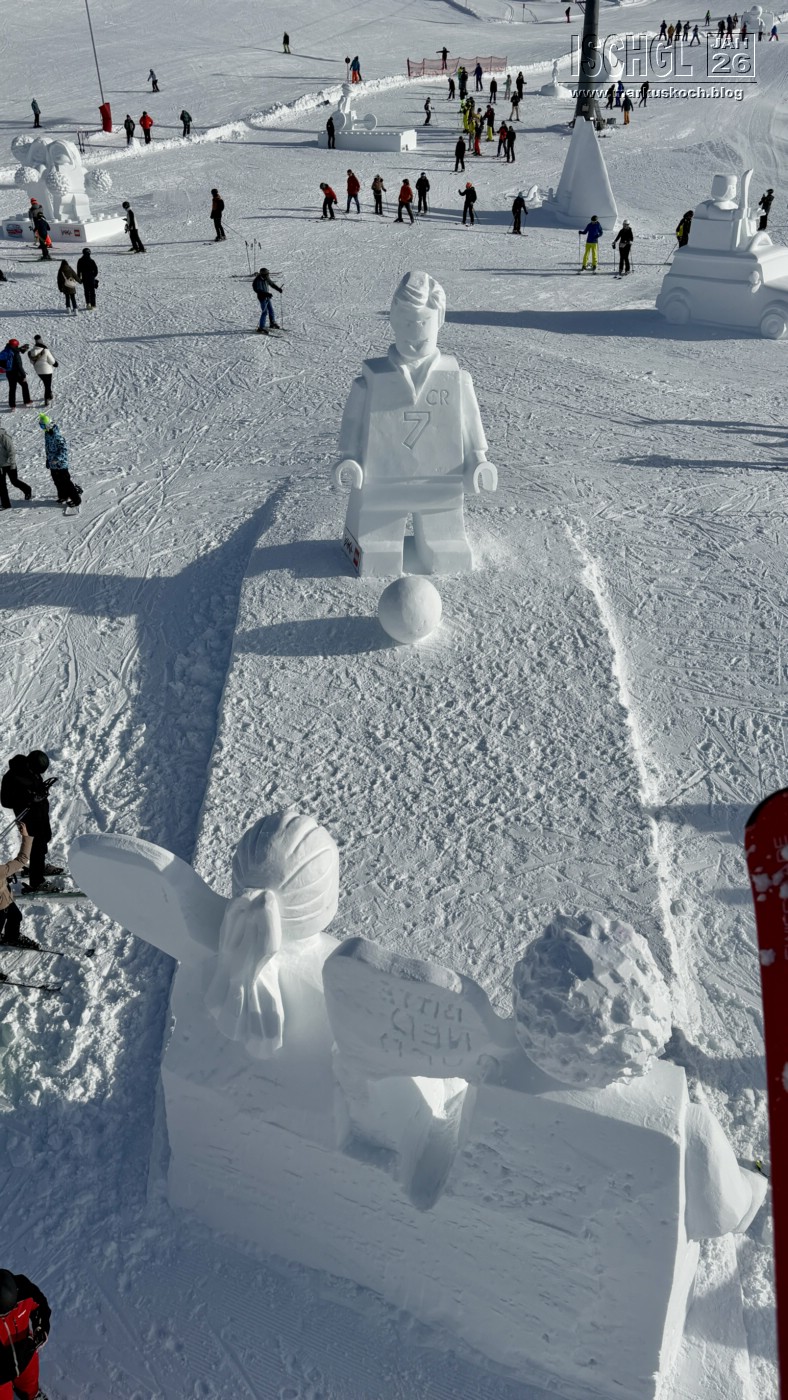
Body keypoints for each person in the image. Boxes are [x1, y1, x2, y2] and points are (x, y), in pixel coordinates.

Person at [1, 750, 59, 891]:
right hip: (27, 817)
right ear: (29, 764)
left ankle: (38, 866)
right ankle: (37, 881)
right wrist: (29, 799)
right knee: (36, 845)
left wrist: (41, 792)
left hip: (40, 813)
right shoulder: (12, 776)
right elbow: (6, 801)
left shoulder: (32, 770)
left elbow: (34, 788)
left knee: (45, 837)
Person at [0, 1266, 51, 1394]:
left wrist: (41, 1327)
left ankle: (31, 1395)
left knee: (29, 1380)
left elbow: (40, 1306)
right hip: (2, 1364)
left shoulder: (25, 1290)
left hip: (25, 1348)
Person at [0, 823, 34, 946]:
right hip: (1, 906)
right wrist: (25, 836)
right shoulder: (1, 871)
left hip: (6, 901)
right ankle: (11, 937)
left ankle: (11, 937)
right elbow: (22, 859)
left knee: (16, 916)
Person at [39, 415, 82, 510]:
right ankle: (63, 496)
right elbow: (47, 448)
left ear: (48, 425)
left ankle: (76, 500)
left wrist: (57, 459)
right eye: (40, 426)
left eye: (43, 426)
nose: (42, 428)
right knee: (57, 482)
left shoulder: (57, 436)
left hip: (61, 464)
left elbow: (64, 450)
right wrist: (48, 460)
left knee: (66, 482)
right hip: (52, 464)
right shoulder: (47, 434)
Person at [0, 426, 32, 509]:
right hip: (0, 466)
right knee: (1, 485)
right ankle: (6, 504)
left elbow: (11, 451)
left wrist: (12, 464)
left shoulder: (4, 437)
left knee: (14, 481)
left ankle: (27, 490)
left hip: (9, 464)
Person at [0, 342, 31, 411]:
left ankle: (12, 406)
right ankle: (27, 401)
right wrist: (24, 375)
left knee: (12, 389)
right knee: (24, 385)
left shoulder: (5, 351)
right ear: (15, 345)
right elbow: (19, 365)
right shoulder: (16, 354)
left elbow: (15, 350)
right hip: (17, 374)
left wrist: (21, 349)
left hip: (9, 373)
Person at [27, 336, 57, 407]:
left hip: (39, 371)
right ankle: (47, 398)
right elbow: (52, 361)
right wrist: (55, 364)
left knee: (46, 384)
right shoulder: (45, 350)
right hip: (47, 371)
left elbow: (32, 362)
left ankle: (50, 394)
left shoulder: (31, 352)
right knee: (47, 385)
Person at [252, 267, 282, 334]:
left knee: (271, 310)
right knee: (264, 312)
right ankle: (261, 328)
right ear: (263, 274)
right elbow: (258, 290)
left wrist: (278, 289)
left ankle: (272, 323)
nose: (268, 275)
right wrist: (266, 294)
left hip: (267, 297)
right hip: (262, 298)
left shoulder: (266, 278)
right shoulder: (257, 280)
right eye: (267, 274)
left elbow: (272, 284)